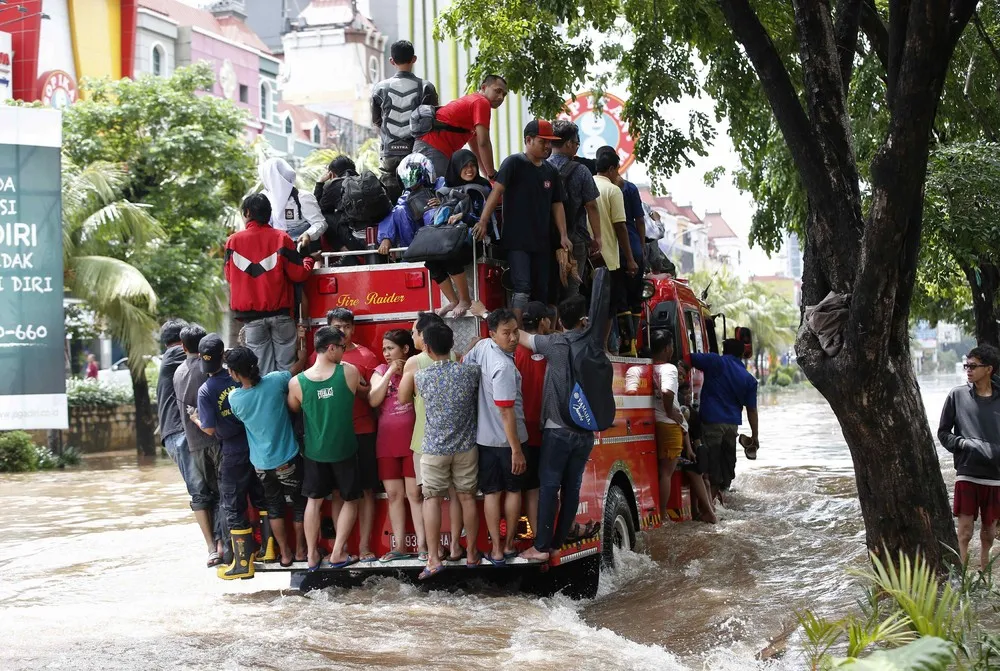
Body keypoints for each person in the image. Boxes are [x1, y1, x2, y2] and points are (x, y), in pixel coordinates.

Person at [515, 295, 595, 562]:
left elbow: (521, 336)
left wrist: (484, 318)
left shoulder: (556, 344)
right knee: (571, 488)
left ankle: (541, 547)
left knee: (548, 487)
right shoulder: (593, 346)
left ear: (559, 321)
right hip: (585, 431)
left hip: (557, 429)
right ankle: (558, 544)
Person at [400, 323, 481, 578]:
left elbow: (403, 398)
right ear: (451, 344)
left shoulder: (421, 376)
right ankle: (470, 553)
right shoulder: (470, 373)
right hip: (466, 446)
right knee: (466, 497)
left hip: (434, 447)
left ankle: (434, 558)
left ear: (427, 347)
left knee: (431, 499)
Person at [475, 120, 571, 322]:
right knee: (522, 288)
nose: (547, 147)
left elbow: (557, 204)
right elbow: (497, 191)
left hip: (543, 242)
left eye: (550, 142)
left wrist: (563, 235)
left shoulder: (551, 171)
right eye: (543, 141)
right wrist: (483, 220)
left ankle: (539, 334)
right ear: (528, 140)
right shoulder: (513, 163)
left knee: (542, 291)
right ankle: (516, 334)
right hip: (517, 241)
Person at [193, 333, 268, 579]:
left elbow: (210, 428)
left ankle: (242, 563)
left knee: (233, 505)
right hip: (255, 446)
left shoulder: (205, 390)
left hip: (232, 452)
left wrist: (195, 419)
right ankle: (268, 550)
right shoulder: (239, 376)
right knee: (261, 498)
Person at [226, 346, 308, 567]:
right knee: (300, 503)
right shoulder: (275, 381)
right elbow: (296, 370)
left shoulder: (235, 398)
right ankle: (301, 550)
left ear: (233, 373)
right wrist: (301, 357)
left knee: (274, 506)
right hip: (288, 459)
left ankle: (286, 554)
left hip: (261, 465)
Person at [288, 327, 362, 570]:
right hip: (344, 449)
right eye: (342, 347)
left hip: (315, 452)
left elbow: (294, 408)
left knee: (314, 500)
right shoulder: (349, 373)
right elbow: (363, 393)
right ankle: (338, 551)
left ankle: (311, 555)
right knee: (350, 499)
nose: (344, 351)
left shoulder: (297, 382)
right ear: (331, 348)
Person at [464, 308, 528, 564]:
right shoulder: (502, 366)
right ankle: (507, 545)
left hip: (484, 440)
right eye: (506, 333)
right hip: (508, 441)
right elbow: (506, 412)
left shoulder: (482, 348)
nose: (513, 338)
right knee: (512, 491)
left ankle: (496, 549)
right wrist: (516, 450)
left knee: (491, 493)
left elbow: (465, 363)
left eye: (515, 332)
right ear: (492, 333)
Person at [225, 193, 314, 375]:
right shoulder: (282, 238)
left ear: (247, 212)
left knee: (263, 372)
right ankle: (287, 403)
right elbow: (299, 274)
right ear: (269, 213)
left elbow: (229, 276)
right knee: (286, 371)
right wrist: (308, 260)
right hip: (281, 316)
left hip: (252, 319)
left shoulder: (233, 242)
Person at [325, 308, 380, 563]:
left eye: (347, 327)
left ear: (353, 329)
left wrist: (355, 384)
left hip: (364, 431)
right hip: (336, 435)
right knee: (339, 492)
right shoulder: (323, 358)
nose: (343, 332)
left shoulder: (367, 357)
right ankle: (341, 547)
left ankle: (366, 546)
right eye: (338, 327)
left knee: (368, 490)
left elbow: (374, 398)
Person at [937, 346, 1000, 569]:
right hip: (967, 473)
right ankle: (962, 580)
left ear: (989, 369)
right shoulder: (957, 395)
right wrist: (962, 444)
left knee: (989, 534)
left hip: (995, 477)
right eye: (967, 365)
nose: (968, 370)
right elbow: (943, 433)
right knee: (963, 533)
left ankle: (985, 578)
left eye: (973, 366)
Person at [158, 318, 214, 562]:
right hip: (181, 432)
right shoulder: (174, 356)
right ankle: (213, 548)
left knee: (207, 489)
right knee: (201, 491)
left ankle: (218, 545)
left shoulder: (173, 359)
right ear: (181, 343)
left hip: (179, 431)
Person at [648, 329, 716, 524]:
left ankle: (661, 514)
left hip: (658, 422)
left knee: (662, 472)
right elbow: (668, 393)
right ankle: (662, 515)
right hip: (669, 424)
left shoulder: (648, 367)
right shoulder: (668, 369)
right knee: (666, 473)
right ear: (667, 348)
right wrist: (670, 412)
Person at [369, 329, 425, 561]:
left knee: (415, 494)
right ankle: (399, 546)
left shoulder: (415, 368)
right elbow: (373, 399)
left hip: (413, 442)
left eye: (390, 348)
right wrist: (390, 371)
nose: (386, 353)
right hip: (386, 444)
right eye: (384, 349)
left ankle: (424, 546)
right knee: (394, 495)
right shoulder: (380, 371)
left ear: (404, 349)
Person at [172, 324, 224, 566]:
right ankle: (224, 543)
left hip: (194, 444)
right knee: (224, 490)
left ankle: (212, 548)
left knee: (206, 495)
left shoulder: (178, 372)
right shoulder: (209, 371)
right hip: (215, 438)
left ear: (183, 347)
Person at [690, 339, 759, 503]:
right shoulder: (749, 379)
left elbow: (689, 357)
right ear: (742, 354)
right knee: (727, 464)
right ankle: (720, 497)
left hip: (712, 423)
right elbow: (752, 411)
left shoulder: (715, 361)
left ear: (723, 350)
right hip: (731, 427)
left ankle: (709, 505)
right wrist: (755, 437)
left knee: (710, 464)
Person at [428, 148, 493, 318]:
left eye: (473, 165)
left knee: (450, 254)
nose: (470, 170)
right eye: (464, 166)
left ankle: (465, 300)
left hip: (475, 240)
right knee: (431, 261)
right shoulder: (445, 189)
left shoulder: (481, 188)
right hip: (450, 237)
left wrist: (463, 216)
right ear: (455, 168)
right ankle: (453, 300)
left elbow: (483, 218)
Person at [371, 39, 439, 200]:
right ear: (414, 59)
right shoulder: (425, 87)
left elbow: (376, 121)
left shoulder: (380, 88)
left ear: (391, 61)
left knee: (391, 200)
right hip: (416, 152)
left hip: (389, 153)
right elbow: (431, 120)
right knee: (418, 199)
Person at [414, 74, 507, 180]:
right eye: (497, 91)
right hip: (434, 148)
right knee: (435, 192)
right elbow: (484, 142)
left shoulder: (473, 101)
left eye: (504, 95)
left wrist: (488, 176)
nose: (501, 97)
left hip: (428, 146)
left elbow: (476, 148)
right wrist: (492, 174)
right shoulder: (481, 102)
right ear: (484, 87)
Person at [547, 120, 602, 299]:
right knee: (572, 288)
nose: (577, 147)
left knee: (549, 288)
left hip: (545, 238)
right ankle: (571, 325)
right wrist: (597, 238)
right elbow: (591, 206)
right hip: (574, 238)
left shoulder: (542, 167)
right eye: (577, 143)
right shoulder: (582, 170)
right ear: (569, 143)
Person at [592, 147, 638, 353]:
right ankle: (601, 346)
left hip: (587, 257)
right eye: (617, 170)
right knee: (608, 307)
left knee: (589, 304)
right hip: (609, 258)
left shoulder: (587, 183)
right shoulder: (613, 190)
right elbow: (621, 226)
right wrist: (630, 259)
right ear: (611, 169)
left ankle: (593, 345)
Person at [514, 302, 553, 538]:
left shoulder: (513, 351)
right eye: (549, 319)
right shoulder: (551, 349)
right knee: (541, 486)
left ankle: (527, 534)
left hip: (518, 430)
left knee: (523, 487)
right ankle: (539, 535)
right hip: (543, 429)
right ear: (542, 322)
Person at [258, 157, 327, 250]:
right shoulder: (264, 198)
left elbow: (320, 223)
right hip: (273, 248)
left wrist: (308, 234)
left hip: (300, 246)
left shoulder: (303, 197)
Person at [313, 155, 360, 253]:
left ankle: (346, 253)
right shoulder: (365, 181)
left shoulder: (335, 185)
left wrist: (320, 183)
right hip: (374, 236)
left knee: (323, 217)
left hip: (353, 238)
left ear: (332, 174)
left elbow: (317, 209)